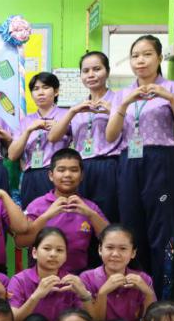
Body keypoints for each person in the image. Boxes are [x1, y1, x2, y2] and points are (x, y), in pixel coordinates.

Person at [105, 35, 174, 299]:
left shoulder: (173, 88)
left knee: (162, 231)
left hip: (161, 161)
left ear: (159, 58)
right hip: (128, 162)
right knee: (131, 229)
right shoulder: (121, 94)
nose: (140, 60)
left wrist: (171, 99)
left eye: (147, 54)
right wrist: (125, 103)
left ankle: (161, 300)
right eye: (135, 56)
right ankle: (135, 296)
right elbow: (111, 136)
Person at [47, 51, 123, 222]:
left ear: (107, 71)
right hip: (82, 168)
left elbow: (132, 128)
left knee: (107, 215)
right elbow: (53, 137)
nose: (91, 74)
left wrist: (113, 111)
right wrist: (72, 111)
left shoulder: (119, 101)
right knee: (81, 218)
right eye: (86, 71)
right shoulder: (77, 106)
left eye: (97, 69)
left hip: (110, 165)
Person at [7, 227, 94, 321]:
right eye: (47, 249)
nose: (53, 254)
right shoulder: (19, 280)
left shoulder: (72, 281)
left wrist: (84, 294)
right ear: (34, 252)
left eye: (59, 250)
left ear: (65, 256)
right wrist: (36, 296)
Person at [16, 148, 108, 274]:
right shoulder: (37, 205)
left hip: (78, 276)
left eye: (74, 170)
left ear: (81, 176)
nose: (67, 175)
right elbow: (20, 242)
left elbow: (111, 239)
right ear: (51, 175)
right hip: (42, 276)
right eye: (61, 170)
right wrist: (47, 216)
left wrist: (91, 214)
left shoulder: (89, 207)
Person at [80, 224, 156, 321]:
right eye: (109, 248)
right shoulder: (87, 278)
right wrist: (103, 293)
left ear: (133, 253)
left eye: (123, 249)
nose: (115, 254)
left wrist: (147, 293)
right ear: (100, 249)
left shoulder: (143, 279)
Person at [8, 72, 71, 209]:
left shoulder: (66, 115)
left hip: (56, 173)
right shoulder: (26, 121)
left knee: (58, 215)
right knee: (31, 215)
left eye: (45, 87)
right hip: (30, 175)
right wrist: (28, 130)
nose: (40, 92)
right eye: (36, 89)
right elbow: (12, 155)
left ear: (56, 91)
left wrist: (59, 127)